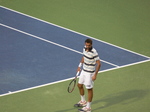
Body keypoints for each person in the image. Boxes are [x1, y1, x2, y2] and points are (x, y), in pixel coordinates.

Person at [74, 38, 101, 112]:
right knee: (79, 85)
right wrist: (79, 66)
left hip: (90, 73)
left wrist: (95, 74)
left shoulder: (94, 52)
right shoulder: (84, 48)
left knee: (89, 89)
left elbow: (99, 64)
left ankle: (88, 107)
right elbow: (84, 56)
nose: (87, 46)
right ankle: (83, 101)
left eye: (88, 45)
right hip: (83, 71)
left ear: (91, 45)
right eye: (86, 45)